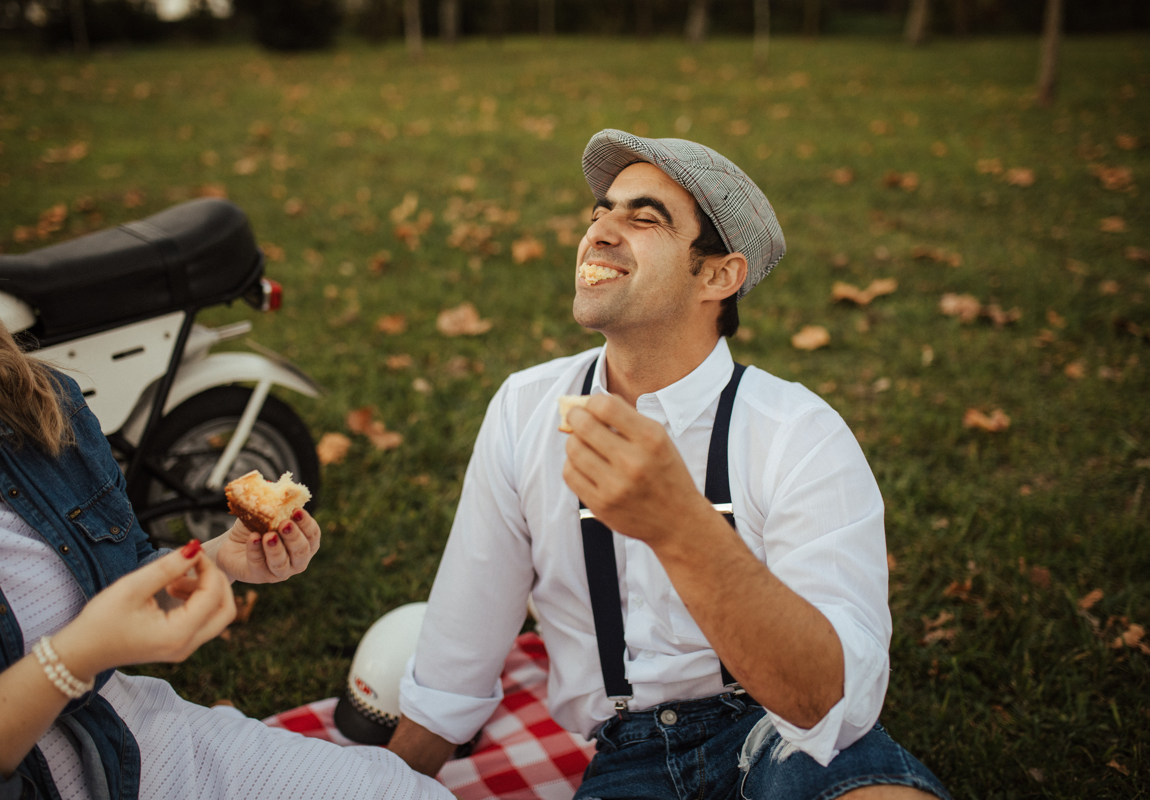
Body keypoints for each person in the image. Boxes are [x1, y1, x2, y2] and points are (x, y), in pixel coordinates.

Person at [388, 130, 953, 800]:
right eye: (599, 211)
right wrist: (375, 782)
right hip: (625, 759)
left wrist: (680, 524)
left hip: (776, 731)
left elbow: (831, 703)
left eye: (643, 217)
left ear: (718, 275)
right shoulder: (526, 409)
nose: (599, 230)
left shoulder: (799, 433)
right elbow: (459, 652)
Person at [0, 134, 452, 800]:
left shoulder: (30, 400)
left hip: (130, 739)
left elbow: (119, 583)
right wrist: (73, 659)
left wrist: (220, 558)